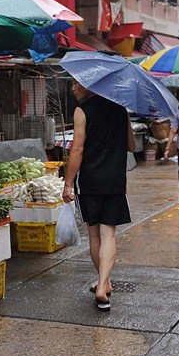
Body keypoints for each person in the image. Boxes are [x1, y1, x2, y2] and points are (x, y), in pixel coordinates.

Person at [62, 80, 135, 312]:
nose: (73, 89)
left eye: (76, 84)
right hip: (115, 181)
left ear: (89, 85)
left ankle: (103, 284)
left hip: (90, 181)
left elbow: (77, 149)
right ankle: (104, 284)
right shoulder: (120, 109)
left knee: (95, 235)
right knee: (109, 235)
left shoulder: (82, 111)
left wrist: (68, 183)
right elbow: (132, 146)